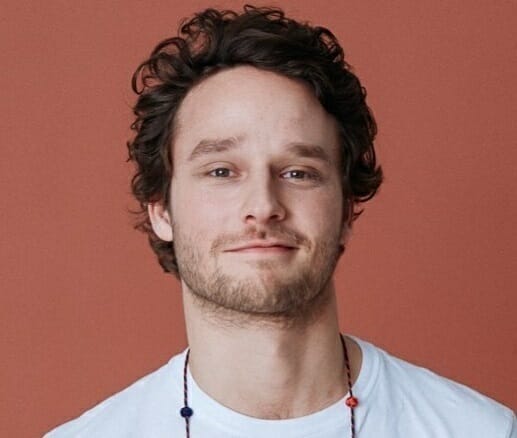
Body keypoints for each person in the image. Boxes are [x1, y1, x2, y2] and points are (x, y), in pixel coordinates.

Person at [45, 5, 516, 437]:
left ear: (347, 209)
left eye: (298, 172)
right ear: (161, 210)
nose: (263, 204)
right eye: (221, 171)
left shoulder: (480, 430)